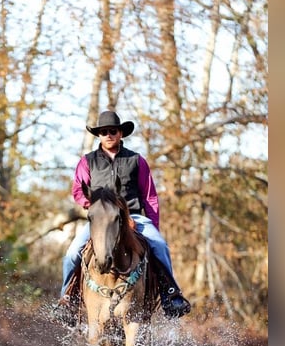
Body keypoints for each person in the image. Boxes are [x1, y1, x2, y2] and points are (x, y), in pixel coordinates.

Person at [54, 110, 191, 324]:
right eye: (103, 131)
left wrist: (152, 225)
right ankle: (67, 300)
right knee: (72, 253)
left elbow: (150, 196)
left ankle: (170, 295)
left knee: (159, 245)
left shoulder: (136, 160)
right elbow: (78, 191)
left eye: (112, 131)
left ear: (120, 134)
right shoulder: (87, 161)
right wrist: (96, 208)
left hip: (134, 216)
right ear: (98, 135)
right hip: (100, 220)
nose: (108, 134)